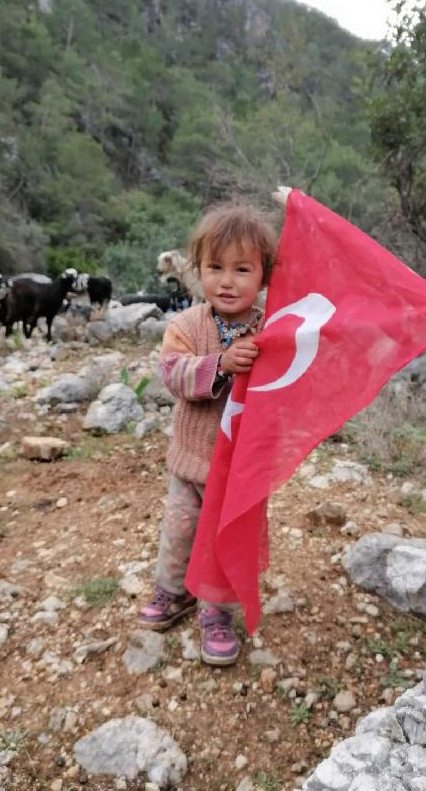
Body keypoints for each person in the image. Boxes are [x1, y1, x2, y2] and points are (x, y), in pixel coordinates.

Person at [138, 202, 277, 666]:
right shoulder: (186, 325)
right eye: (215, 267)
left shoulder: (271, 329)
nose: (227, 281)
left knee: (226, 543)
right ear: (197, 270)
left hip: (240, 471)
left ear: (264, 276)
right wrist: (220, 364)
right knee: (179, 532)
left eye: (242, 269)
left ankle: (216, 612)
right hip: (191, 462)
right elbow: (173, 374)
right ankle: (174, 592)